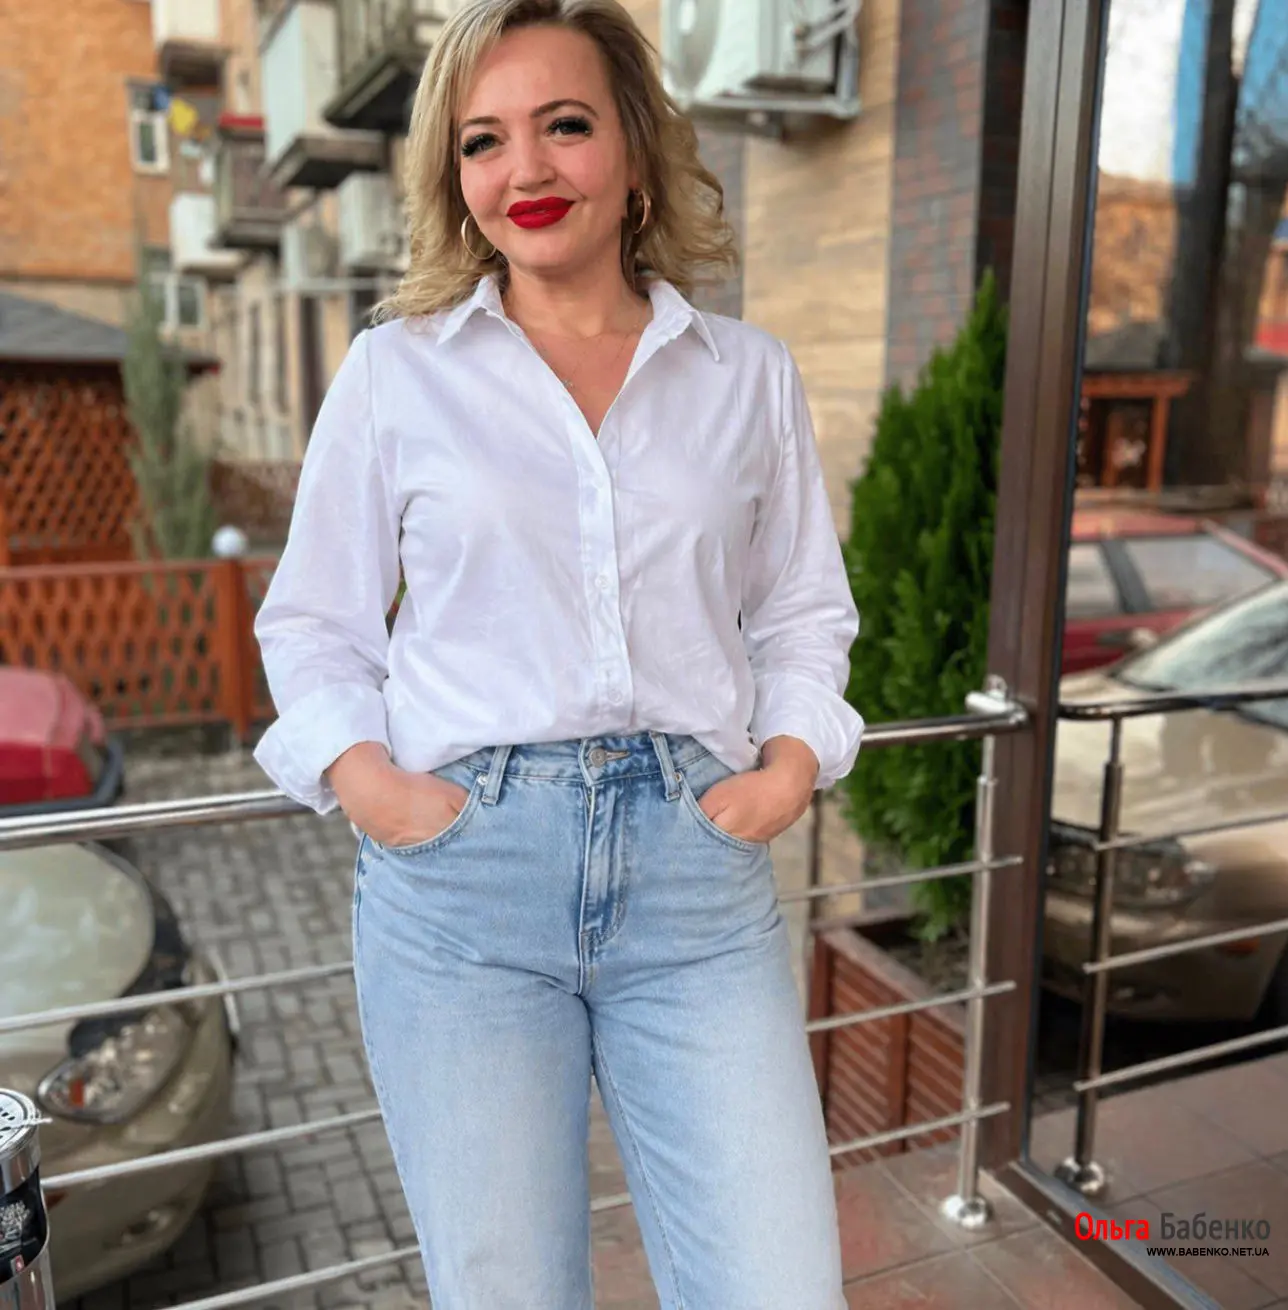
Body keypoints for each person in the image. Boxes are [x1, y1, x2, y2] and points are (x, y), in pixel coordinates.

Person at [252, 0, 864, 1304]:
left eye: (565, 124)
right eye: (484, 140)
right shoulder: (395, 374)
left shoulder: (746, 374)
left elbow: (804, 610)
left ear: (634, 149)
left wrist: (789, 767)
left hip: (698, 879)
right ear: (454, 175)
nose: (523, 168)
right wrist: (377, 790)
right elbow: (313, 624)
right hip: (464, 886)